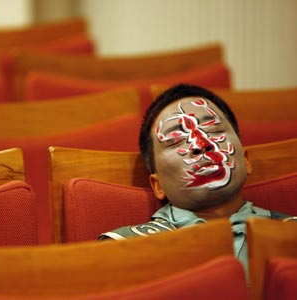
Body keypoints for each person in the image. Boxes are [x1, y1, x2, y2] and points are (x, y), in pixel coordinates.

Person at [99, 83, 296, 276]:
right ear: (158, 185)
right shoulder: (124, 249)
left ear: (245, 161)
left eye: (215, 130)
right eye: (176, 140)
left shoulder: (289, 234)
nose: (201, 144)